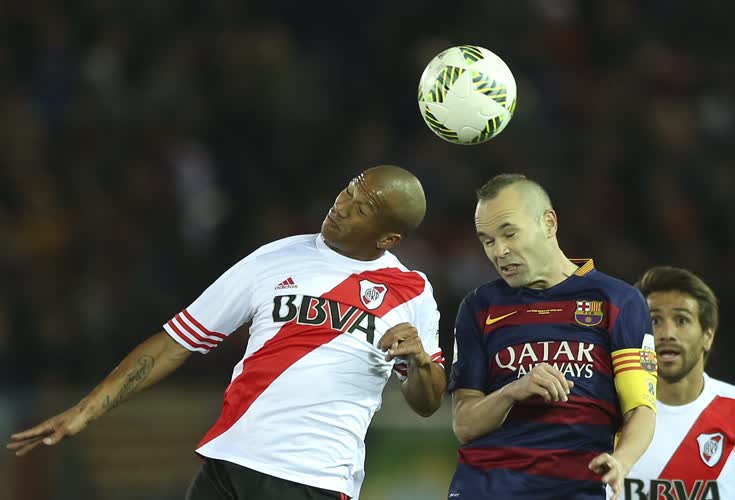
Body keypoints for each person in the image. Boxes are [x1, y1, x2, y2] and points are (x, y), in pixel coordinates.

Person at [7, 165, 447, 500]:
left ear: (388, 239)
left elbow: (427, 403)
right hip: (229, 464)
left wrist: (420, 362)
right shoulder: (276, 257)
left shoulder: (412, 292)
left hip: (314, 477)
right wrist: (86, 410)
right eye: (348, 190)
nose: (343, 206)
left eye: (362, 208)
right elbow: (176, 341)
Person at [447, 173, 657, 500]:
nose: (499, 251)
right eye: (487, 241)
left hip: (577, 488)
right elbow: (464, 424)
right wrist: (512, 391)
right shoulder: (478, 306)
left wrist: (622, 461)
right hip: (487, 487)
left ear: (548, 223)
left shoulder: (618, 301)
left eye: (509, 233)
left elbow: (641, 409)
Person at [615, 266, 735, 500]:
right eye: (654, 320)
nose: (667, 333)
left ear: (708, 336)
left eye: (682, 320)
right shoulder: (608, 410)